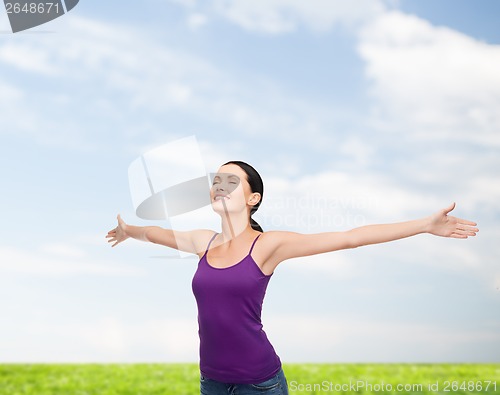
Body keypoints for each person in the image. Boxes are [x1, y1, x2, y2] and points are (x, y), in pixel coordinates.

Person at [106, 160, 478, 395]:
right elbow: (156, 234)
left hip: (259, 383)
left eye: (232, 181)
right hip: (211, 382)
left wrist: (424, 225)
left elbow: (351, 237)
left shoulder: (267, 245)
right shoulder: (204, 241)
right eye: (217, 180)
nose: (220, 185)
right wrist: (129, 230)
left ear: (253, 199)